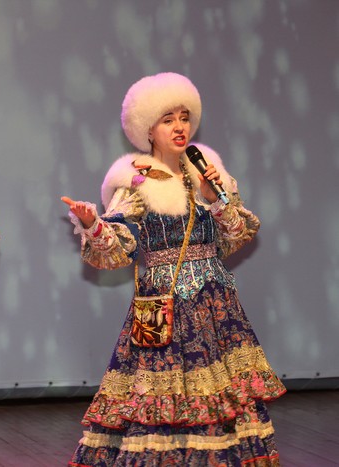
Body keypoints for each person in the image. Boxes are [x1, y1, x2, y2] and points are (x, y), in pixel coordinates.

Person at [61, 72, 285, 466]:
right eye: (168, 119)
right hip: (164, 304)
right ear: (148, 129)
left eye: (184, 117)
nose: (179, 126)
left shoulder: (208, 173)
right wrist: (92, 223)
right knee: (158, 397)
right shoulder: (136, 182)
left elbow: (237, 235)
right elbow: (117, 250)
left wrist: (216, 200)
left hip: (214, 306)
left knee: (223, 395)